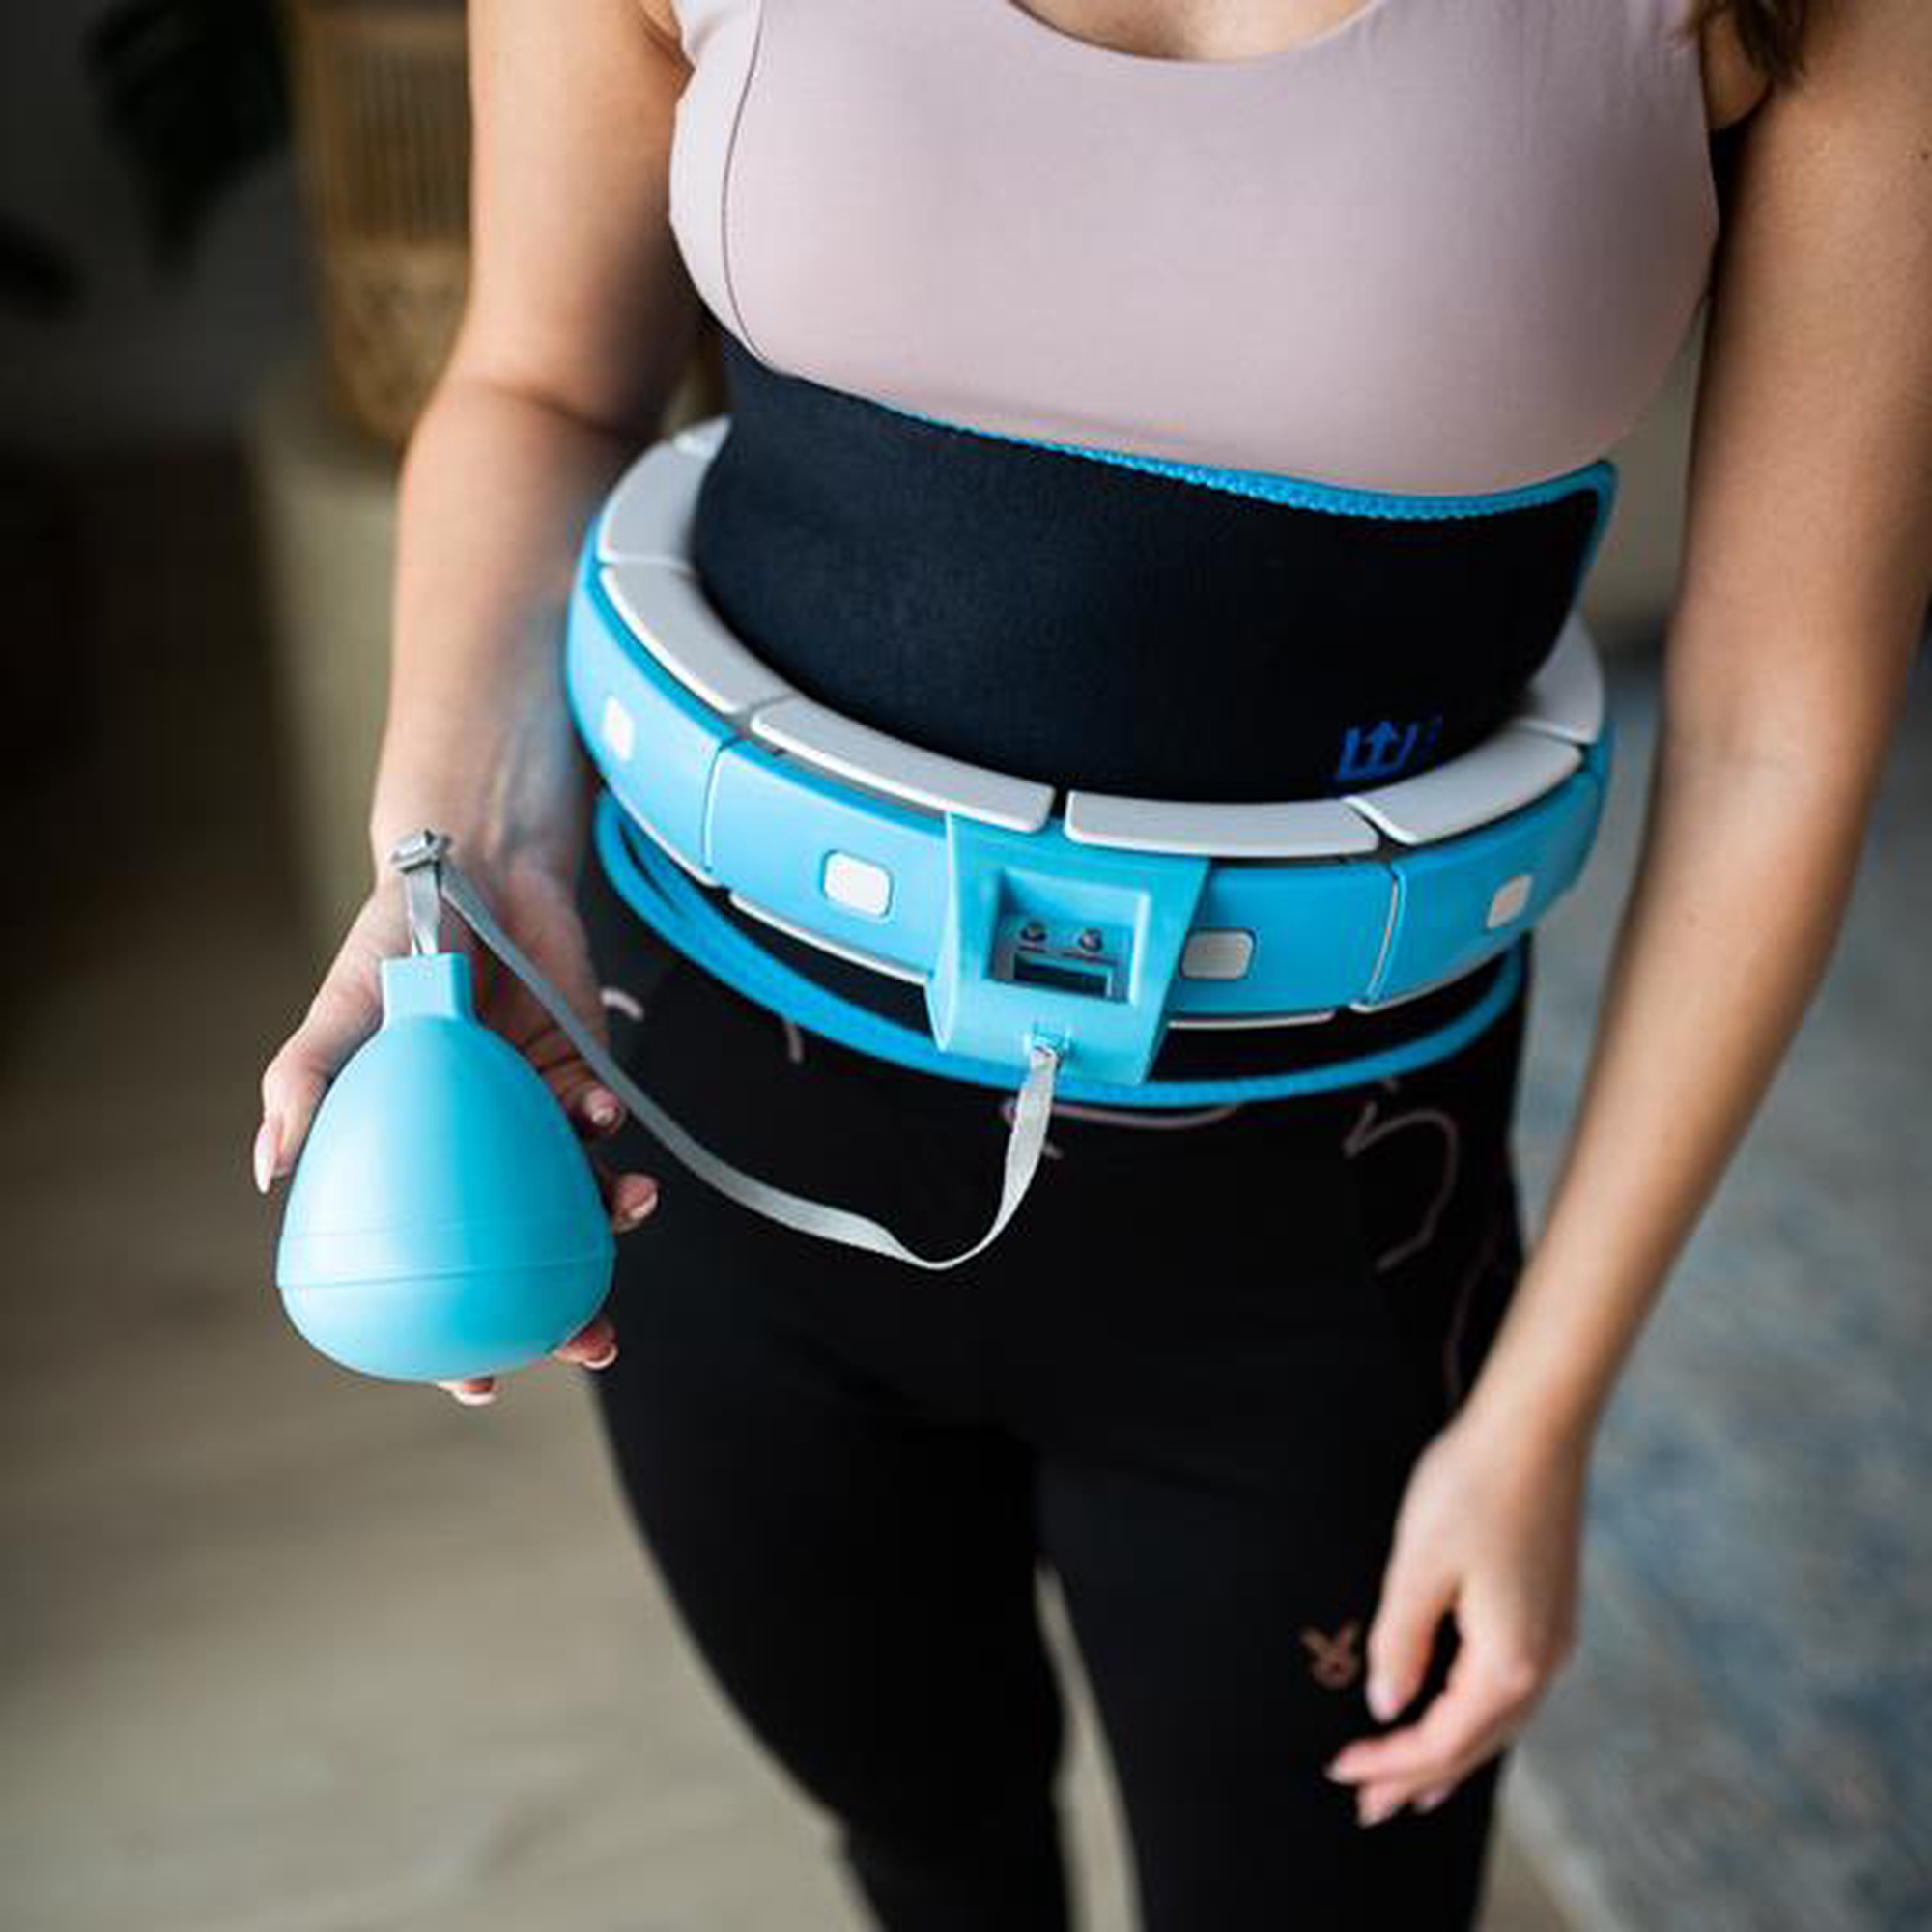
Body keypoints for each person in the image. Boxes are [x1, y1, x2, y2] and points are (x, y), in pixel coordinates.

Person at [253, 1, 1932, 1924]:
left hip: (1332, 1216)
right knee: (926, 1846)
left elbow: (1777, 727)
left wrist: (1544, 1411)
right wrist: (453, 866)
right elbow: (544, 384)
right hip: (712, 1129)